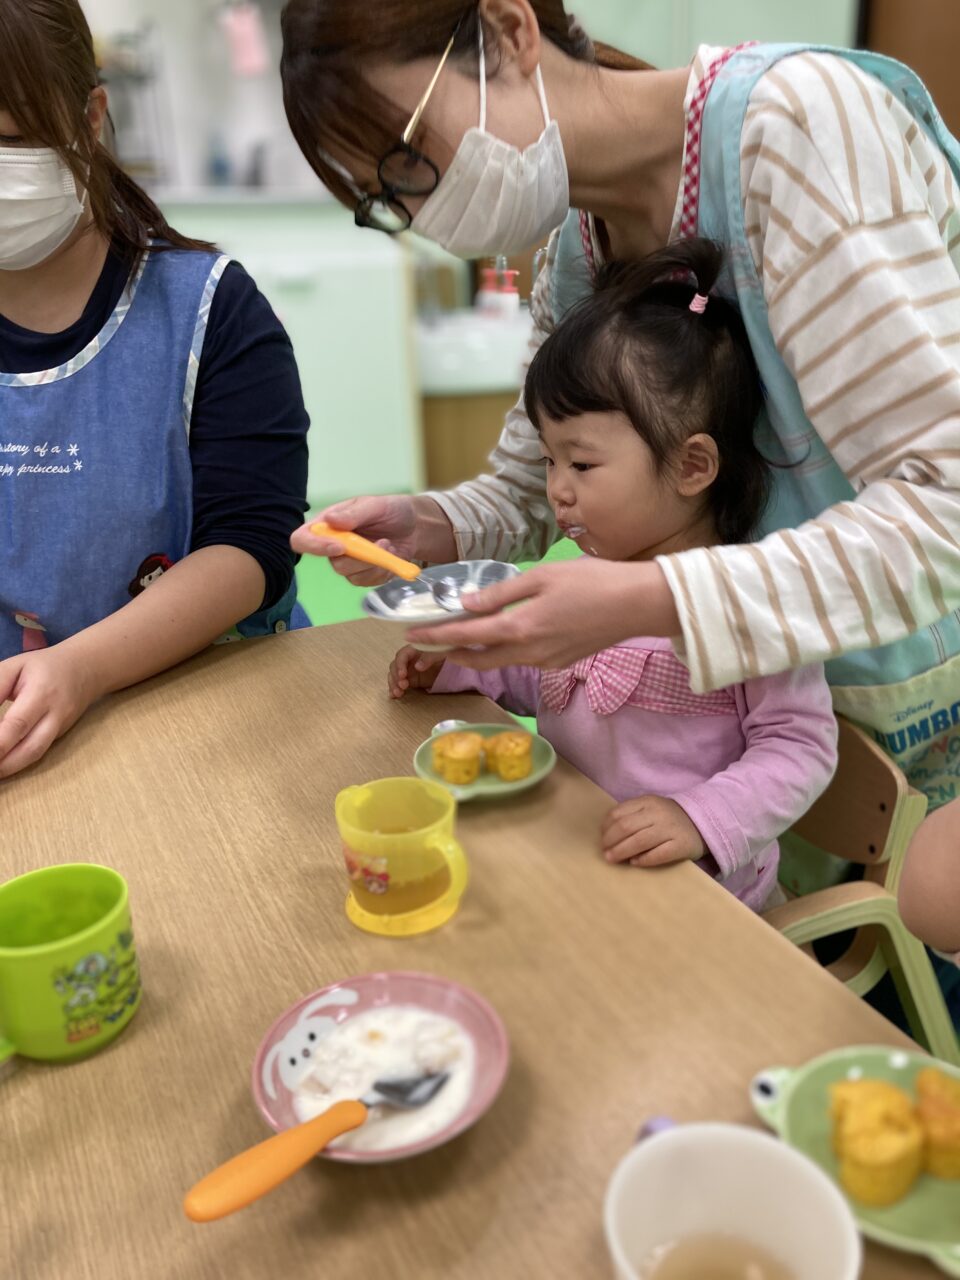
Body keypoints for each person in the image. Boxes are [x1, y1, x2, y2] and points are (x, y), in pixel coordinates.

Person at [280, 0, 960, 940]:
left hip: (904, 680)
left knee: (903, 952)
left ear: (510, 31)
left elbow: (944, 505)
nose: (424, 211)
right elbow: (533, 484)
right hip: (775, 715)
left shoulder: (797, 129)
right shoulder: (579, 241)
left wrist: (646, 601)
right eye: (386, 198)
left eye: (406, 159)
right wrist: (431, 525)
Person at [388, 240, 838, 909]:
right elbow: (543, 678)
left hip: (696, 896)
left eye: (582, 464)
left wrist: (700, 819)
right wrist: (462, 664)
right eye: (549, 461)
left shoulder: (748, 602)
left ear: (691, 466)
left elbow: (801, 746)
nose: (557, 490)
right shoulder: (586, 580)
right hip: (578, 855)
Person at [0, 0, 310, 778]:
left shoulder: (210, 310)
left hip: (214, 715)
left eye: (14, 142)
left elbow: (251, 544)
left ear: (91, 118)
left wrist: (81, 668)